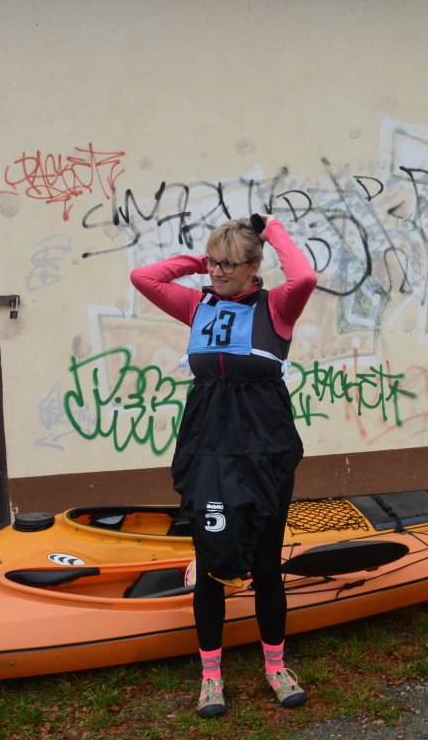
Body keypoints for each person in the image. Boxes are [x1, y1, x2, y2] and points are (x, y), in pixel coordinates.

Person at [130, 213, 317, 717]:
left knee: (266, 564)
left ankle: (276, 667)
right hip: (208, 444)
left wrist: (273, 229)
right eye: (213, 263)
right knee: (211, 561)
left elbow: (304, 277)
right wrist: (202, 260)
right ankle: (211, 676)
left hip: (264, 445)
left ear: (255, 267)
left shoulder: (276, 306)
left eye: (229, 265)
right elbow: (143, 277)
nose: (217, 272)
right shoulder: (198, 304)